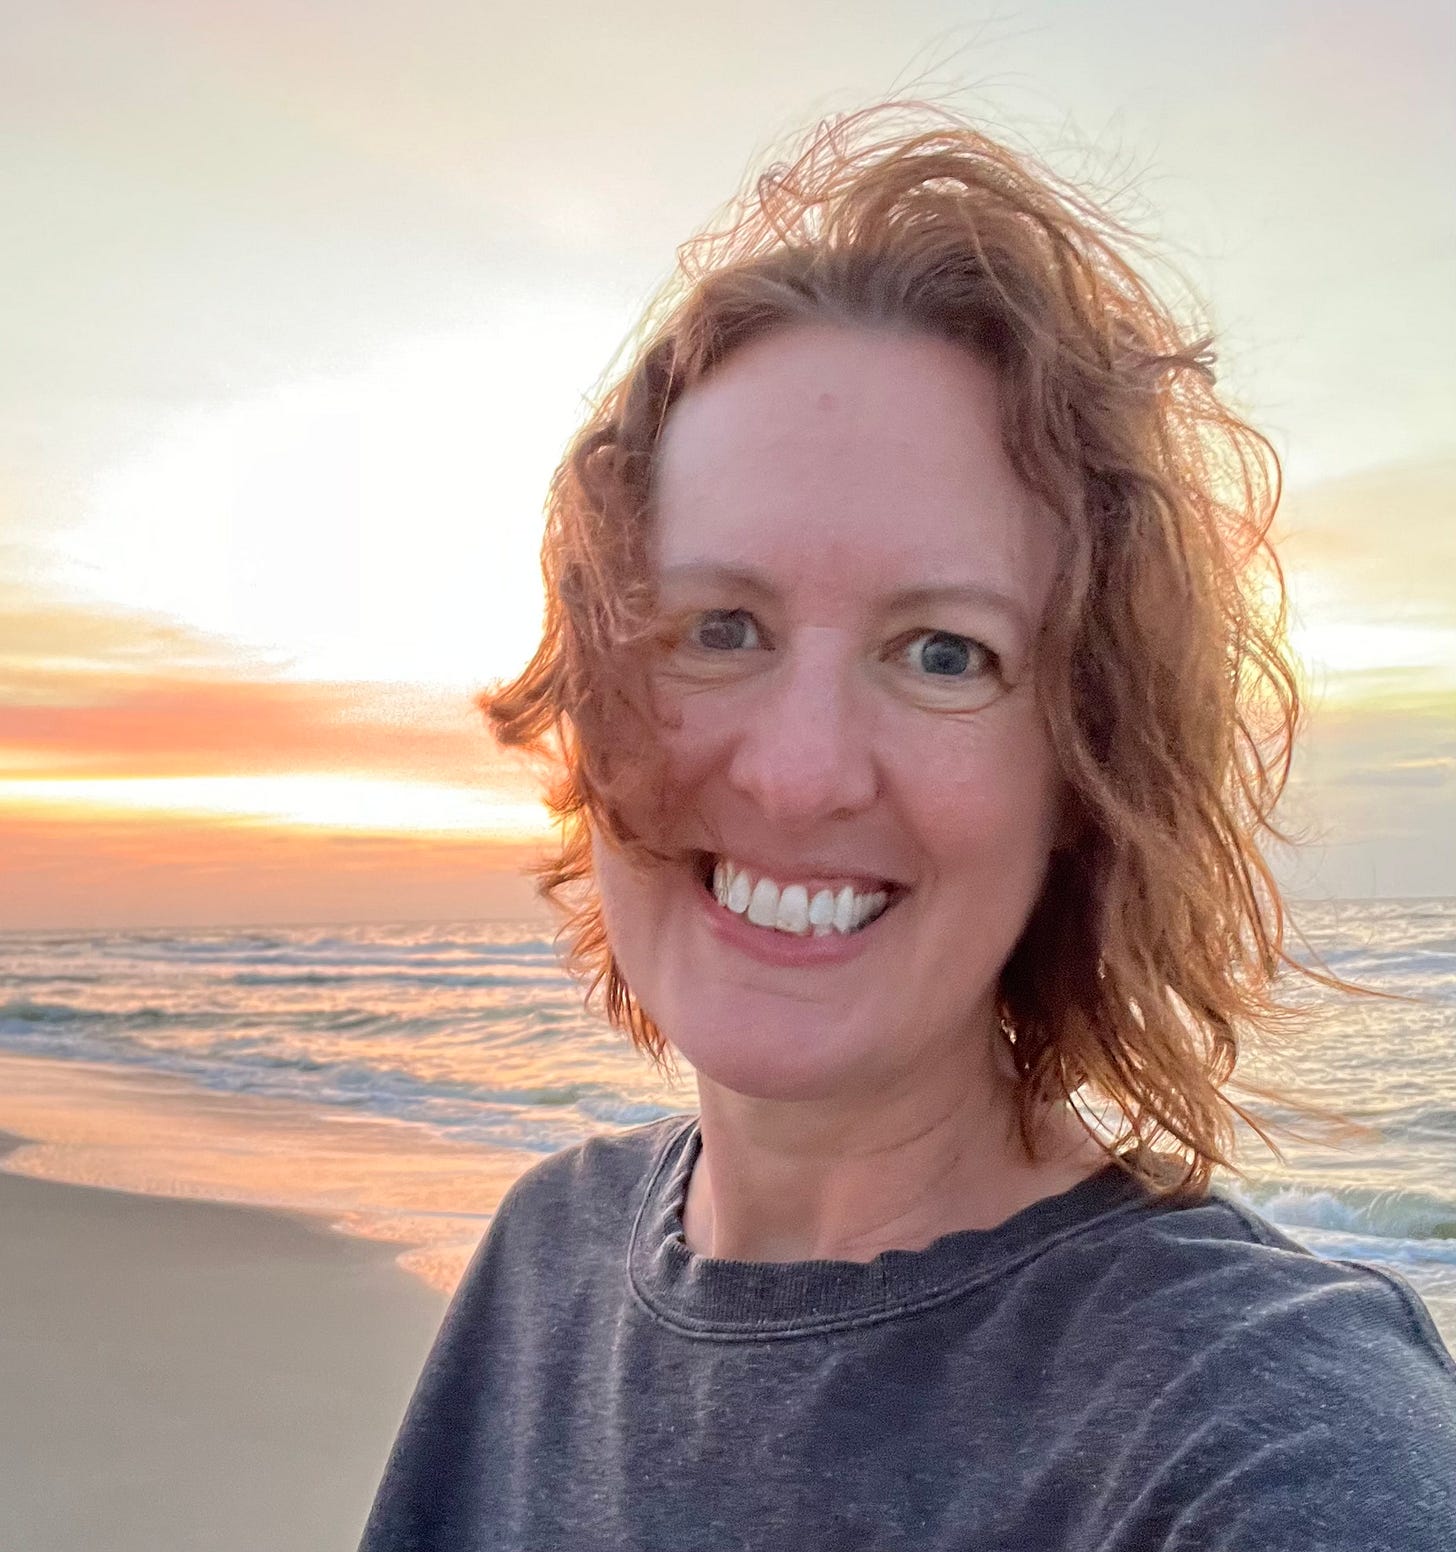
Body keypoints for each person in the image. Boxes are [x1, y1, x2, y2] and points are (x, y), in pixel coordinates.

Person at [359, 105, 1455, 1550]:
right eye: (719, 627)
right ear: (594, 688)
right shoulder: (546, 1259)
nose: (802, 775)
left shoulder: (1256, 1436)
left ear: (1085, 772)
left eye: (946, 652)